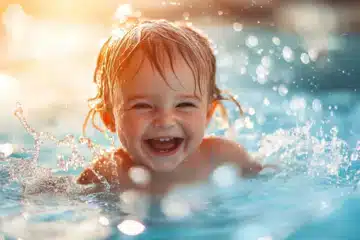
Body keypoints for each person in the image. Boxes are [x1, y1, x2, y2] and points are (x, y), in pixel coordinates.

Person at [77, 19, 274, 194]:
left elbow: (271, 179)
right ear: (109, 118)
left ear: (207, 113)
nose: (165, 121)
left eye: (184, 104)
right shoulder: (109, 172)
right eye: (143, 106)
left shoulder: (221, 156)